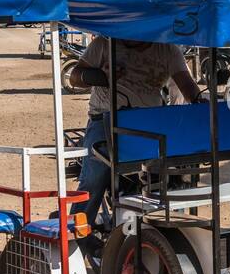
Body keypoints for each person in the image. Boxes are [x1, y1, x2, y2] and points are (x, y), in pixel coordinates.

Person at [69, 36, 201, 230]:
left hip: (149, 124)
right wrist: (100, 75)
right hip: (105, 120)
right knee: (93, 179)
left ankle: (166, 228)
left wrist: (199, 101)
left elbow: (186, 83)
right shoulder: (103, 44)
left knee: (167, 178)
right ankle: (76, 234)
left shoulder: (168, 50)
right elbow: (74, 77)